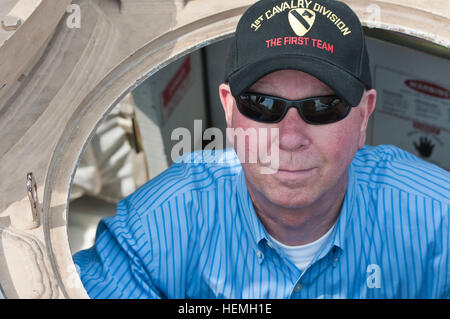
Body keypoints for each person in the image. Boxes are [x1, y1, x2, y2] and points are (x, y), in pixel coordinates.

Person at [73, 0, 449, 299]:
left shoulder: (438, 222)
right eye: (263, 106)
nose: (289, 138)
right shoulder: (154, 229)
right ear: (229, 110)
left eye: (322, 108)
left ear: (364, 114)